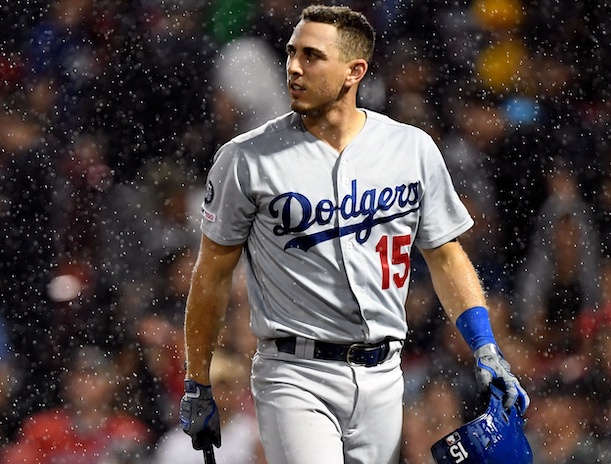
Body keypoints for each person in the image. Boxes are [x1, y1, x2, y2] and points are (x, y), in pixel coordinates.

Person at [179, 5, 530, 464]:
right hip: (294, 372)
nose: (294, 67)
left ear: (354, 71)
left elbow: (446, 255)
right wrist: (197, 379)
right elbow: (212, 274)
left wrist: (486, 347)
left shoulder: (410, 149)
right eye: (291, 53)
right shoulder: (245, 158)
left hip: (385, 374)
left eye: (312, 56)